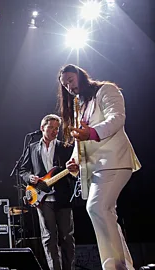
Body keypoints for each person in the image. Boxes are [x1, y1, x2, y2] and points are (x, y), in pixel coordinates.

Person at [59, 64, 141, 270]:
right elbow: (82, 139)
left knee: (96, 207)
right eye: (64, 85)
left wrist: (93, 133)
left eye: (70, 80)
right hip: (97, 168)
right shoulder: (81, 104)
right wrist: (74, 160)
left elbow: (117, 118)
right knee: (106, 213)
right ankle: (124, 266)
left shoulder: (106, 90)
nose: (69, 87)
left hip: (114, 160)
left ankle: (114, 266)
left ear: (80, 75)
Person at [20, 114, 76, 270]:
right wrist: (30, 178)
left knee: (67, 237)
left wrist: (73, 171)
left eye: (56, 128)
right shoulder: (31, 148)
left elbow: (73, 173)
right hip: (42, 199)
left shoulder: (65, 147)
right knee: (48, 238)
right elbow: (23, 170)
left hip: (63, 197)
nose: (54, 131)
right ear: (42, 128)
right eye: (51, 127)